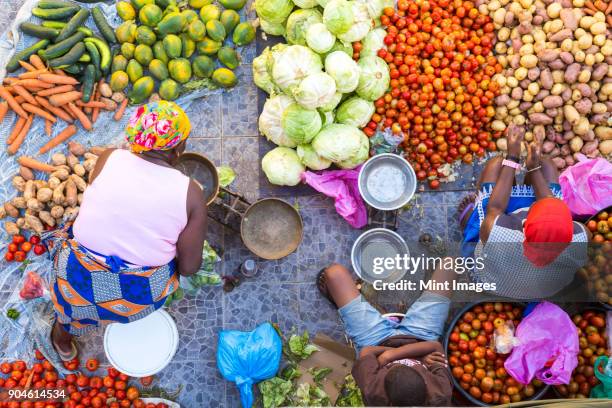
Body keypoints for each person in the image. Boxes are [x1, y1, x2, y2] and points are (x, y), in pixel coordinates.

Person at [46, 101, 207, 360]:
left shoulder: (110, 157)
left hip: (74, 276)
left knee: (70, 307)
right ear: (178, 149)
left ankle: (61, 335)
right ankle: (114, 312)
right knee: (171, 261)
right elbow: (189, 268)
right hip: (137, 296)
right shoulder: (191, 194)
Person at [458, 124, 589, 299]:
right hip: (544, 290)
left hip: (493, 282)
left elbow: (495, 208)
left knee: (495, 166)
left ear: (525, 223)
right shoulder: (582, 237)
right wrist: (533, 167)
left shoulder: (500, 234)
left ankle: (470, 222)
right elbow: (549, 201)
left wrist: (512, 157)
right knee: (547, 166)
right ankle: (534, 169)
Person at [317, 263, 454, 406]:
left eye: (390, 367)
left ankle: (338, 298)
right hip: (421, 337)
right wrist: (389, 358)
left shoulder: (374, 393)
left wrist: (390, 355)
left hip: (376, 341)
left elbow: (367, 351)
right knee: (450, 265)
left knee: (334, 273)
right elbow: (436, 346)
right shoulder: (440, 395)